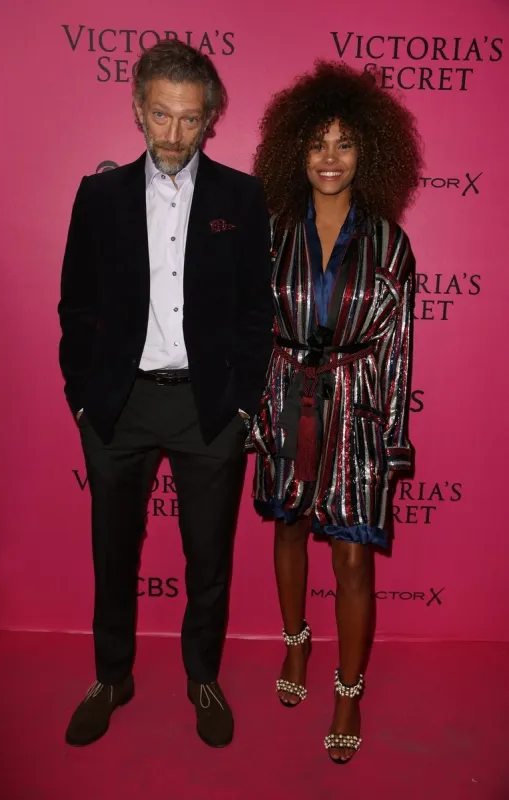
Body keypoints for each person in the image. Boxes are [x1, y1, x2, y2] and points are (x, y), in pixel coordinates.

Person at [58, 39, 272, 749]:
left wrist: (242, 404)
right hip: (117, 406)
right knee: (111, 553)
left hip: (207, 410)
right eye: (160, 115)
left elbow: (253, 310)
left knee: (208, 559)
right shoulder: (98, 195)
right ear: (137, 110)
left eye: (189, 118)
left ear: (209, 117)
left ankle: (201, 675)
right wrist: (83, 399)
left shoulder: (242, 197)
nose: (174, 133)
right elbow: (76, 305)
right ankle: (112, 675)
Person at [251, 61, 422, 764]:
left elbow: (399, 351)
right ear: (295, 148)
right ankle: (296, 642)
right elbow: (242, 328)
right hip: (285, 399)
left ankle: (348, 687)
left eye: (344, 143)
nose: (328, 158)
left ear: (370, 152)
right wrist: (252, 411)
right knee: (286, 532)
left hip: (354, 410)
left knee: (352, 559)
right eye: (316, 142)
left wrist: (389, 441)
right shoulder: (268, 233)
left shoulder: (389, 245)